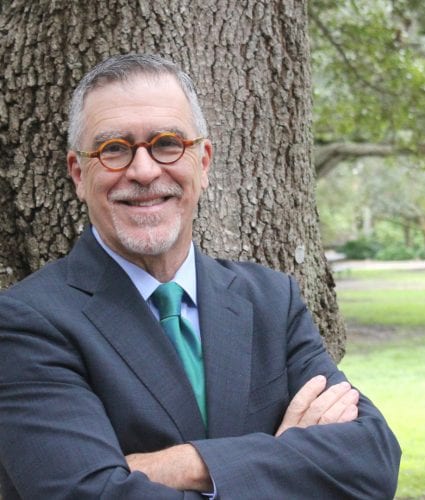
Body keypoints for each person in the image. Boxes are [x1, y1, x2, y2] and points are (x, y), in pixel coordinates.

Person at [0, 53, 401, 499]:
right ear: (79, 173)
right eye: (113, 149)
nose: (144, 170)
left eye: (167, 143)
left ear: (203, 162)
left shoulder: (270, 300)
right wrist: (283, 454)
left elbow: (372, 461)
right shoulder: (25, 322)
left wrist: (184, 464)